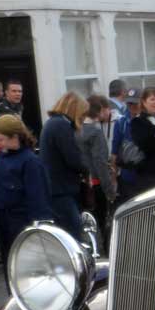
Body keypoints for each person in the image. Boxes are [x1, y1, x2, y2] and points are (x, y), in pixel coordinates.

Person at [0, 115, 53, 267]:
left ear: (14, 137)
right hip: (4, 220)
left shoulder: (30, 162)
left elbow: (39, 200)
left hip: (22, 222)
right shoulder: (1, 158)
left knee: (25, 265)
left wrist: (38, 230)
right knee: (10, 263)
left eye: (0, 139)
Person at [40, 91, 91, 237]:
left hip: (54, 188)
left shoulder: (52, 123)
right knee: (72, 233)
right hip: (61, 190)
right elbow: (73, 159)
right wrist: (87, 168)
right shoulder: (62, 125)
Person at [79, 95, 117, 243]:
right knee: (103, 222)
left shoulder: (77, 130)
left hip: (82, 182)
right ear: (101, 109)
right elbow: (99, 162)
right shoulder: (95, 133)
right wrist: (110, 190)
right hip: (96, 183)